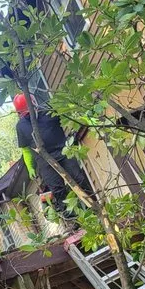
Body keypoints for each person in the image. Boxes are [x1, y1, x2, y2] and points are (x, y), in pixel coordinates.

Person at [14, 92, 94, 220]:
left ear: (34, 104)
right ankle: (73, 219)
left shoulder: (49, 112)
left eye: (27, 111)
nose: (26, 115)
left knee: (79, 179)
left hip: (63, 151)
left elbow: (68, 117)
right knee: (57, 189)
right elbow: (26, 149)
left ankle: (93, 207)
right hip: (44, 161)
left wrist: (84, 118)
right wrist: (30, 167)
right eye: (23, 113)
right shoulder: (21, 126)